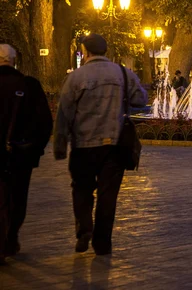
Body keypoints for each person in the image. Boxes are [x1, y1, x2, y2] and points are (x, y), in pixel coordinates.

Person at [54, 34, 148, 255]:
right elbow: (141, 100)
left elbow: (64, 112)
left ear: (85, 52)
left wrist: (60, 143)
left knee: (81, 189)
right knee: (108, 195)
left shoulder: (76, 77)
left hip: (83, 145)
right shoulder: (123, 74)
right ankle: (102, 242)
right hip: (114, 145)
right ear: (105, 51)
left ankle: (85, 228)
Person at [0, 44, 52, 264]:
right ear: (14, 61)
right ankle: (10, 237)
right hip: (21, 154)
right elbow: (45, 122)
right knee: (18, 196)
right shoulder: (28, 86)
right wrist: (35, 149)